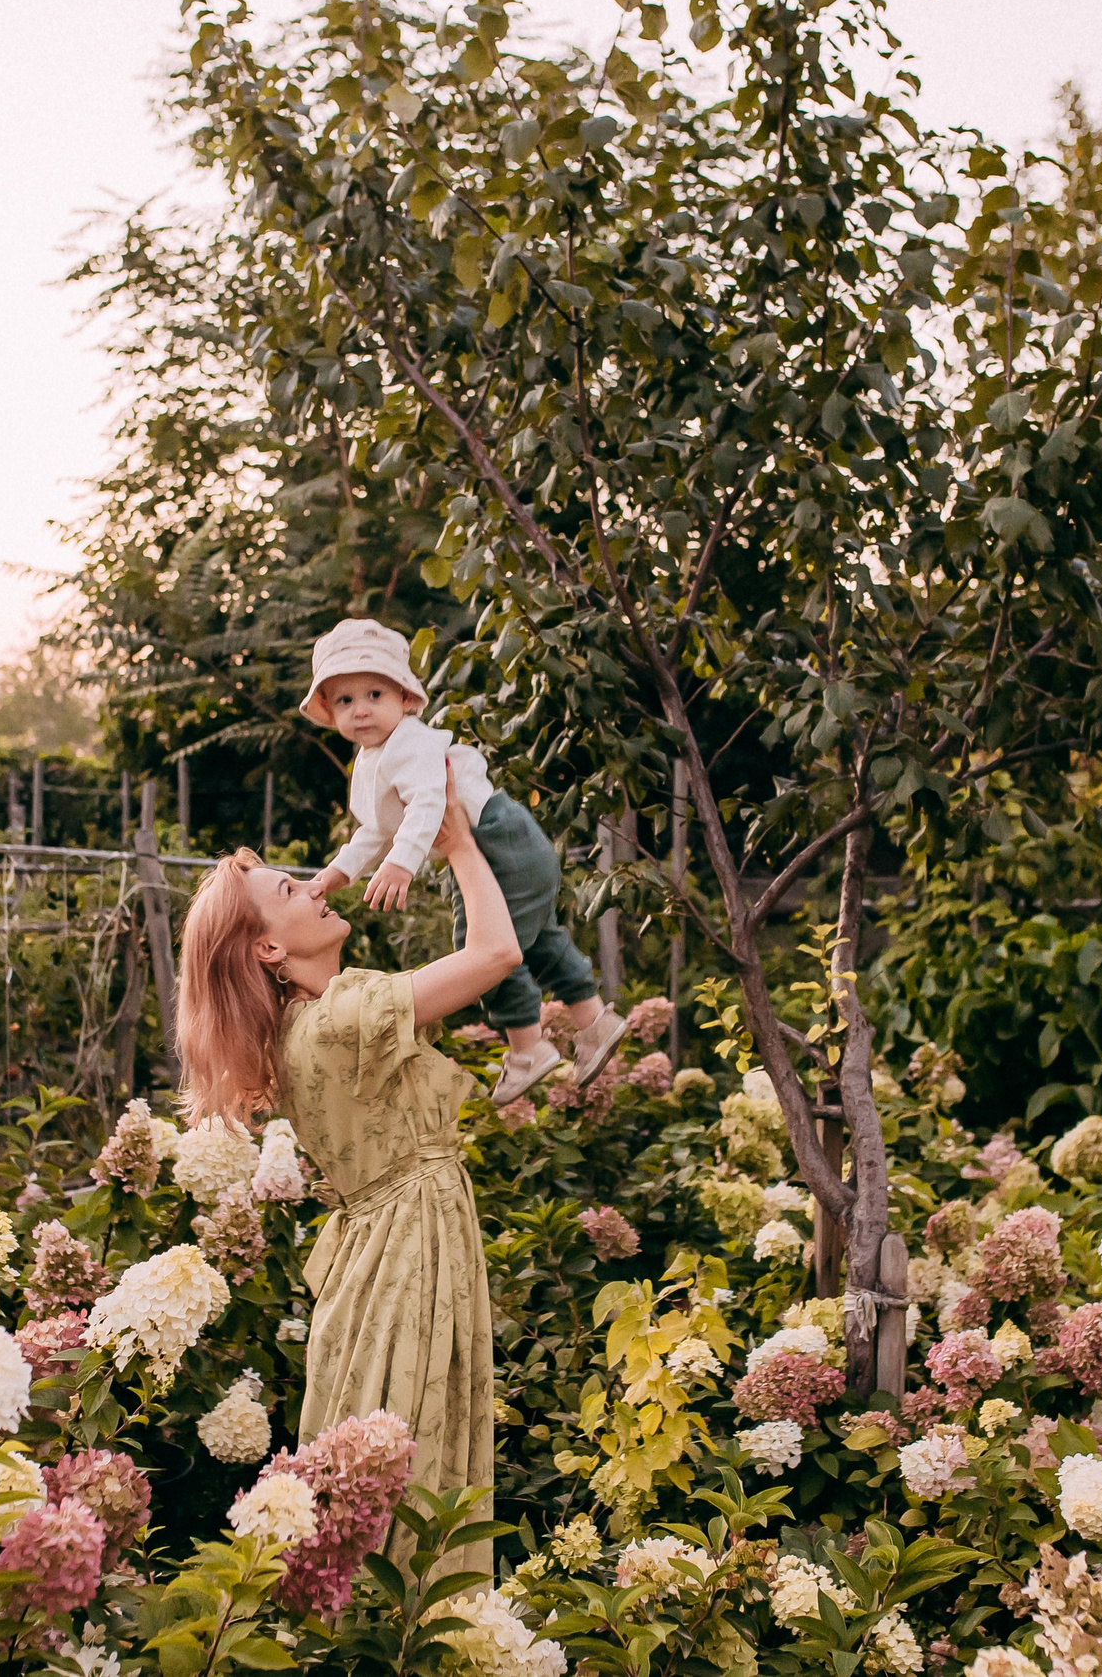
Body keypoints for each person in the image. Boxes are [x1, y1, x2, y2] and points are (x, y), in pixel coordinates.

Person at [177, 775, 520, 1563]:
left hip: (384, 1253)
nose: (314, 886)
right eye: (289, 889)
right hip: (407, 1254)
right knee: (415, 1465)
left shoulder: (312, 1024)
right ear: (268, 947)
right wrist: (458, 842)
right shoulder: (337, 1020)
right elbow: (498, 952)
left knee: (387, 1456)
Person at [297, 616, 624, 1103]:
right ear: (329, 709)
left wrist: (402, 864)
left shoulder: (408, 741)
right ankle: (594, 1020)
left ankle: (528, 1048)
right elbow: (376, 830)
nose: (360, 710)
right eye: (345, 700)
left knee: (483, 946)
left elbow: (431, 804)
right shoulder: (372, 759)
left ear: (406, 700)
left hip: (496, 840)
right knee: (539, 942)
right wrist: (338, 872)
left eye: (374, 695)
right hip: (507, 843)